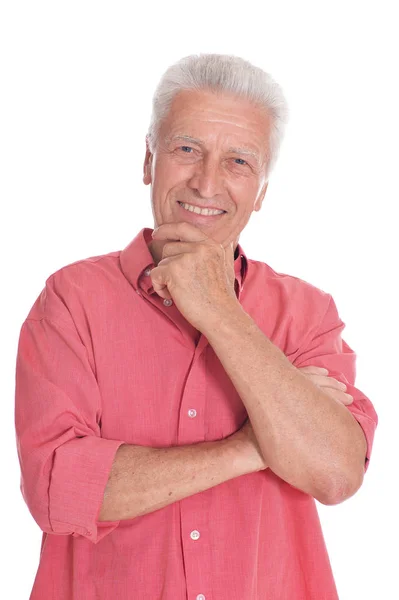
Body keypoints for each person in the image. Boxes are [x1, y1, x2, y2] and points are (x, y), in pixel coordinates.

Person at [15, 53, 378, 600]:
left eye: (238, 162)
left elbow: (333, 473)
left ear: (262, 191)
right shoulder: (71, 301)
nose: (207, 183)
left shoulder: (308, 314)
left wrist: (220, 311)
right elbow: (59, 491)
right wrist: (254, 447)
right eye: (187, 150)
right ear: (148, 161)